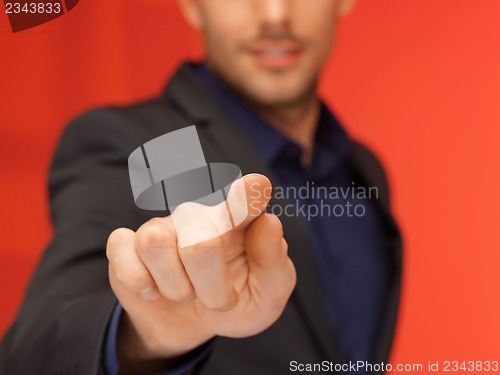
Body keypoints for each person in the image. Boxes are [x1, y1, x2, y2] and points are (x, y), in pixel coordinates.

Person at [0, 0, 402, 374]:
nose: (276, 14)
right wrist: (147, 338)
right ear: (192, 4)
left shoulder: (363, 172)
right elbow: (32, 352)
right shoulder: (141, 147)